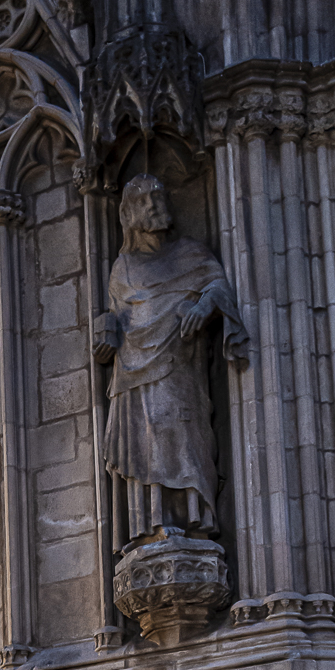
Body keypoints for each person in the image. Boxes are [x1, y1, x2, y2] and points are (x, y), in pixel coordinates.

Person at [94, 173, 249, 545]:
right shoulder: (123, 269)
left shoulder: (191, 253)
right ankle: (154, 524)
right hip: (134, 375)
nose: (156, 206)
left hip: (182, 365)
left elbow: (218, 287)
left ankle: (196, 517)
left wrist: (204, 305)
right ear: (129, 214)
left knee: (186, 435)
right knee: (147, 439)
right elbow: (119, 317)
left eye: (159, 198)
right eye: (146, 201)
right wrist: (107, 336)